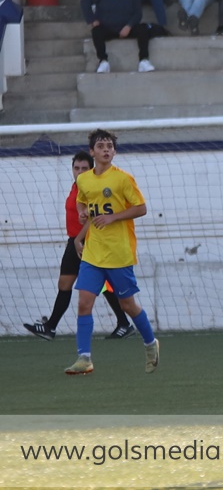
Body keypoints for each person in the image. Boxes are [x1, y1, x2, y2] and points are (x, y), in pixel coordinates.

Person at [64, 129, 160, 376]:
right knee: (84, 303)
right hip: (94, 252)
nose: (106, 149)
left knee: (127, 304)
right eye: (101, 146)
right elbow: (82, 201)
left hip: (119, 252)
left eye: (110, 146)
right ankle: (84, 358)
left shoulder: (123, 179)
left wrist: (113, 217)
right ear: (93, 151)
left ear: (114, 152)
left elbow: (141, 208)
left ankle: (151, 344)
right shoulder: (84, 179)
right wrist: (83, 214)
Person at [24, 152, 133, 341]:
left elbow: (93, 216)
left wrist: (80, 240)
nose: (80, 171)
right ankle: (50, 327)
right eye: (76, 168)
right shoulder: (77, 187)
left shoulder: (93, 188)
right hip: (73, 240)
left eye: (84, 168)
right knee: (65, 284)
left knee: (103, 286)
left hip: (88, 241)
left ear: (91, 169)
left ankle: (124, 323)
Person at [80, 0, 155, 74]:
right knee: (96, 32)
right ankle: (103, 61)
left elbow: (138, 13)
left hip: (126, 28)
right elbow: (85, 1)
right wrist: (92, 20)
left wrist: (128, 26)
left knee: (143, 30)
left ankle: (143, 60)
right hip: (107, 27)